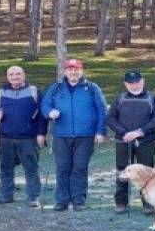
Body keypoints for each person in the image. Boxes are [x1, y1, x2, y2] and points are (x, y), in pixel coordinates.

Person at [40, 58, 107, 211]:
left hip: (86, 135)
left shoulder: (91, 88)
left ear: (81, 71)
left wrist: (100, 131)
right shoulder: (56, 88)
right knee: (62, 167)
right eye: (70, 69)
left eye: (76, 69)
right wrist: (50, 112)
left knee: (80, 167)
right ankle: (62, 200)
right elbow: (45, 104)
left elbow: (102, 110)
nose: (73, 72)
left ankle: (78, 200)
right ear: (65, 72)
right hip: (61, 134)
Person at [107, 70, 155, 214]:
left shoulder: (153, 98)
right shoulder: (119, 98)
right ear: (125, 84)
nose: (134, 85)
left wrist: (139, 132)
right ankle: (121, 202)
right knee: (122, 171)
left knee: (147, 172)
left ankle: (148, 203)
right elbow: (111, 118)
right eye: (130, 83)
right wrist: (123, 132)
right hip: (123, 141)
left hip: (145, 141)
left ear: (142, 81)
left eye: (137, 82)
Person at [0, 65, 47, 206]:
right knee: (5, 169)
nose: (15, 77)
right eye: (11, 74)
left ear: (24, 75)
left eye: (18, 74)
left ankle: (33, 197)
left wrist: (41, 133)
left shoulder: (34, 91)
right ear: (8, 77)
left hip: (28, 138)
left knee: (31, 169)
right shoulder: (1, 92)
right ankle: (6, 195)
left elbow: (42, 115)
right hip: (5, 138)